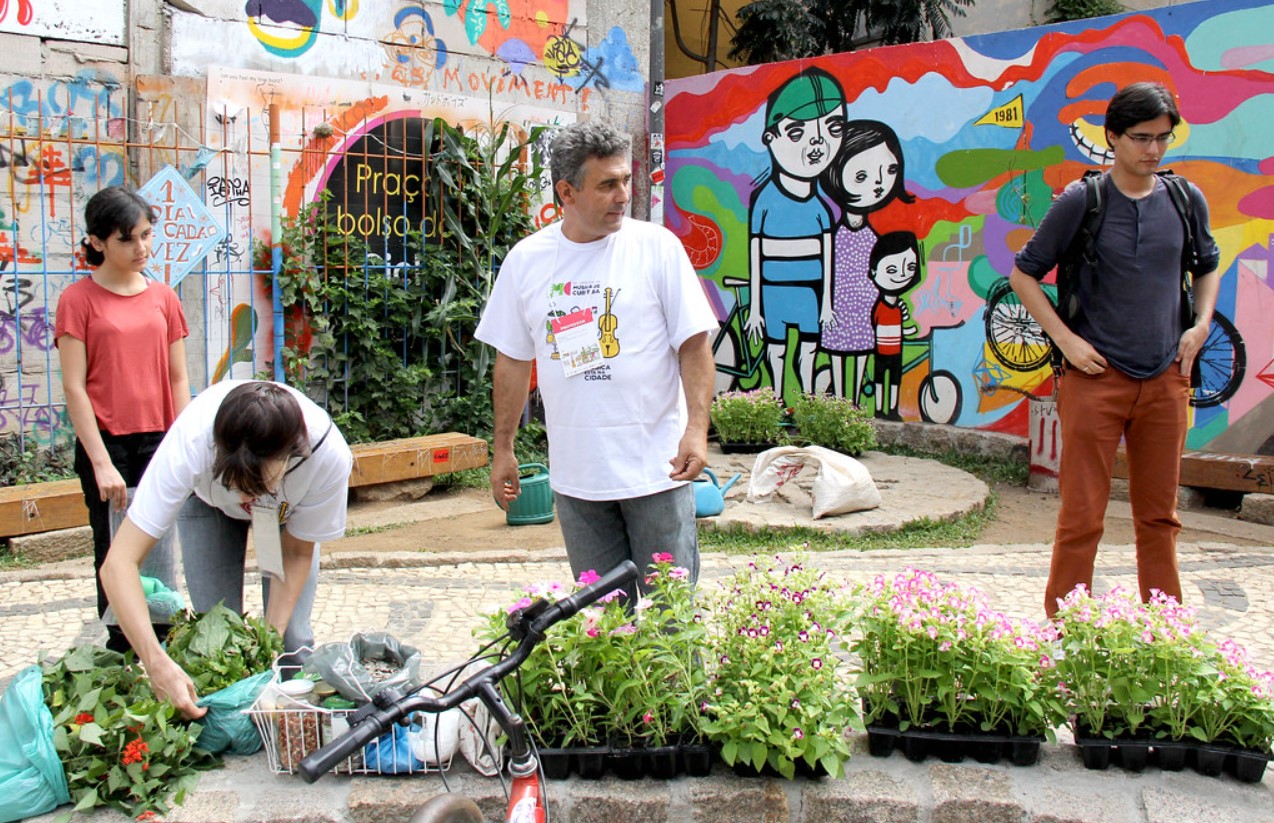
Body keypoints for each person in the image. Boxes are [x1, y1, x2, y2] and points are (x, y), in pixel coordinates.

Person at [475, 121, 716, 595]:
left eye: (626, 180)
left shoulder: (657, 248)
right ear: (567, 191)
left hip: (657, 472)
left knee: (671, 616)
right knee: (603, 622)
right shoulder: (528, 261)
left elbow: (694, 345)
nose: (623, 194)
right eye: (607, 184)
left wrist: (696, 429)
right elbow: (512, 360)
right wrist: (503, 449)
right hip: (578, 481)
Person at [1009, 82, 1220, 618]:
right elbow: (1024, 274)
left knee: (1160, 517)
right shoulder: (1085, 199)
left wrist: (1200, 324)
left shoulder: (1183, 198)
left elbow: (1207, 264)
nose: (1153, 150)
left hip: (1167, 377)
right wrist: (1066, 340)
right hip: (1095, 380)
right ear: (1113, 137)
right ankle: (1066, 632)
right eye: (1141, 138)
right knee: (1082, 517)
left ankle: (1163, 632)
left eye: (1163, 138)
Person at [100, 380, 353, 718]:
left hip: (282, 515)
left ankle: (290, 726)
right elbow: (118, 564)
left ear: (290, 454)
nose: (245, 497)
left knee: (291, 643)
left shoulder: (326, 455)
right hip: (207, 507)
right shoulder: (191, 441)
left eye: (257, 484)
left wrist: (268, 644)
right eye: (235, 483)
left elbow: (295, 553)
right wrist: (155, 661)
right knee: (215, 638)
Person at [55, 187, 190, 653]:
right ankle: (122, 652)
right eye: (127, 239)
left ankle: (165, 647)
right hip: (106, 444)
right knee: (112, 552)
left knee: (159, 550)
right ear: (96, 242)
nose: (142, 249)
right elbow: (75, 387)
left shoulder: (163, 297)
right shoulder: (78, 300)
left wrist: (183, 444)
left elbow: (177, 379)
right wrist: (100, 462)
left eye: (147, 236)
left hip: (160, 441)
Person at [744, 67, 846, 400]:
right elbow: (755, 256)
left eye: (832, 128)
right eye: (798, 133)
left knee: (808, 348)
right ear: (771, 139)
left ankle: (804, 400)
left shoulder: (821, 208)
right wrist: (755, 308)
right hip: (773, 290)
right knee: (776, 349)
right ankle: (775, 397)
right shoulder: (764, 200)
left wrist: (827, 304)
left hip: (810, 292)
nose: (818, 142)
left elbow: (827, 258)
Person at [819, 121, 915, 406]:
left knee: (862, 350)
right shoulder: (834, 236)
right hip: (837, 304)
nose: (877, 184)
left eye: (889, 171)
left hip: (865, 305)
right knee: (837, 351)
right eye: (862, 175)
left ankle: (856, 403)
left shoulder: (873, 238)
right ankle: (838, 401)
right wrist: (826, 303)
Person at [868, 232, 923, 420]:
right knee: (880, 381)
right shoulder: (880, 306)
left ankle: (891, 409)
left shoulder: (900, 306)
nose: (902, 275)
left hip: (896, 350)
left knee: (893, 381)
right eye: (891, 270)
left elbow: (901, 326)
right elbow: (874, 325)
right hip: (881, 350)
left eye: (910, 267)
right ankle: (878, 408)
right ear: (874, 272)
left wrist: (909, 331)